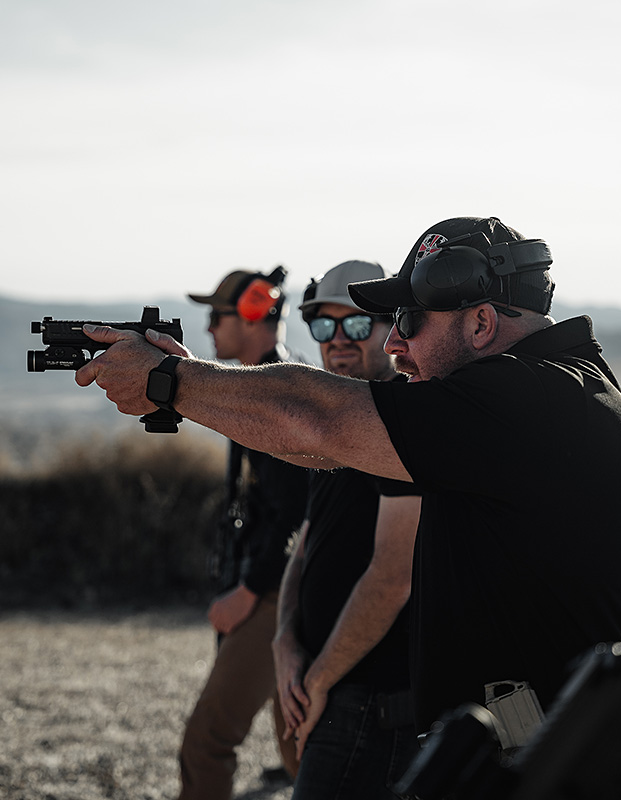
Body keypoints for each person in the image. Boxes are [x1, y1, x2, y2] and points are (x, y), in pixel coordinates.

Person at [74, 216, 621, 734]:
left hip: (560, 756)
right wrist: (196, 387)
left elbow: (317, 419)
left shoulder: (531, 398)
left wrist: (172, 383)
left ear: (481, 324)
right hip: (536, 743)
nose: (396, 342)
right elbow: (318, 447)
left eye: (409, 318)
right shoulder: (542, 393)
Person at [271, 259, 422, 799]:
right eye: (322, 325)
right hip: (328, 686)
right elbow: (309, 540)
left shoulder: (402, 421)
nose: (337, 339)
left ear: (392, 330)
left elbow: (393, 578)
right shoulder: (338, 423)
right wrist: (285, 638)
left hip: (371, 702)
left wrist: (319, 680)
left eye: (355, 324)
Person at [177, 266, 310, 800]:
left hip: (273, 591)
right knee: (302, 750)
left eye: (217, 316)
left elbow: (294, 512)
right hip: (277, 586)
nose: (209, 328)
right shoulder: (266, 383)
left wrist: (248, 591)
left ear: (254, 313)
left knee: (207, 742)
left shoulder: (275, 393)